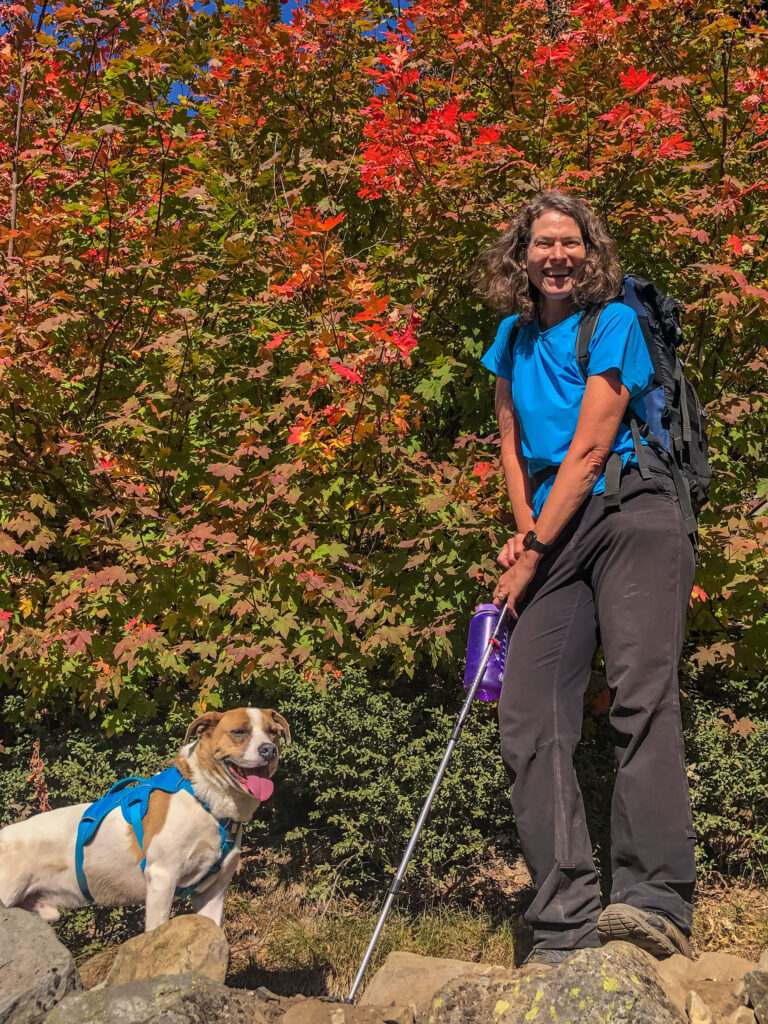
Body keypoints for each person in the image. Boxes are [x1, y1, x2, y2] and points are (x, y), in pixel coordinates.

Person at [476, 190, 697, 966]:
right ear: (522, 257)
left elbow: (593, 448)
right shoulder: (508, 338)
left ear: (590, 253)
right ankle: (563, 917)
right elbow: (512, 447)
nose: (558, 255)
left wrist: (535, 546)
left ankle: (653, 903)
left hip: (633, 512)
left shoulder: (615, 325)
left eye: (571, 242)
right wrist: (524, 533)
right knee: (529, 716)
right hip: (554, 525)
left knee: (641, 698)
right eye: (543, 244)